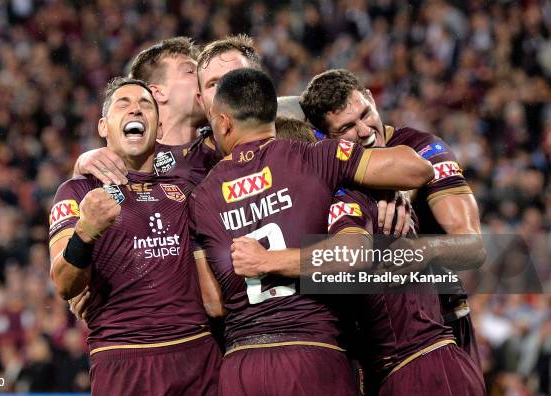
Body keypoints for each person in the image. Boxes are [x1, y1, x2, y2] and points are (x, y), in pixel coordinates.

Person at [188, 67, 433, 395]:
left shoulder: (200, 198)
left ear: (224, 122)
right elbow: (418, 169)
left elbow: (213, 304)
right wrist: (388, 187)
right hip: (313, 354)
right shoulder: (319, 157)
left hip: (243, 363)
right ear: (271, 115)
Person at [231, 120, 485, 395]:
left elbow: (351, 256)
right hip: (414, 366)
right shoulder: (365, 195)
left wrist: (266, 261)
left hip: (421, 369)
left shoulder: (344, 199)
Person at [299, 69, 485, 367]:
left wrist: (426, 249)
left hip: (442, 328)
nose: (364, 130)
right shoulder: (326, 162)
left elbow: (474, 248)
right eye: (346, 127)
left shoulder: (425, 149)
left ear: (372, 98)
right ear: (323, 135)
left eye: (365, 113)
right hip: (368, 339)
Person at [48, 77, 222, 396]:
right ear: (103, 126)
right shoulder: (77, 191)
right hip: (123, 358)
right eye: (123, 104)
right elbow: (63, 283)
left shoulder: (185, 189)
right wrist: (85, 233)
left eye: (145, 105)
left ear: (157, 127)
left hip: (196, 354)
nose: (136, 110)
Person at [74, 37, 220, 186]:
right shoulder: (120, 166)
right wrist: (80, 169)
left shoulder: (225, 142)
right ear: (157, 93)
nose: (205, 77)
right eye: (190, 71)